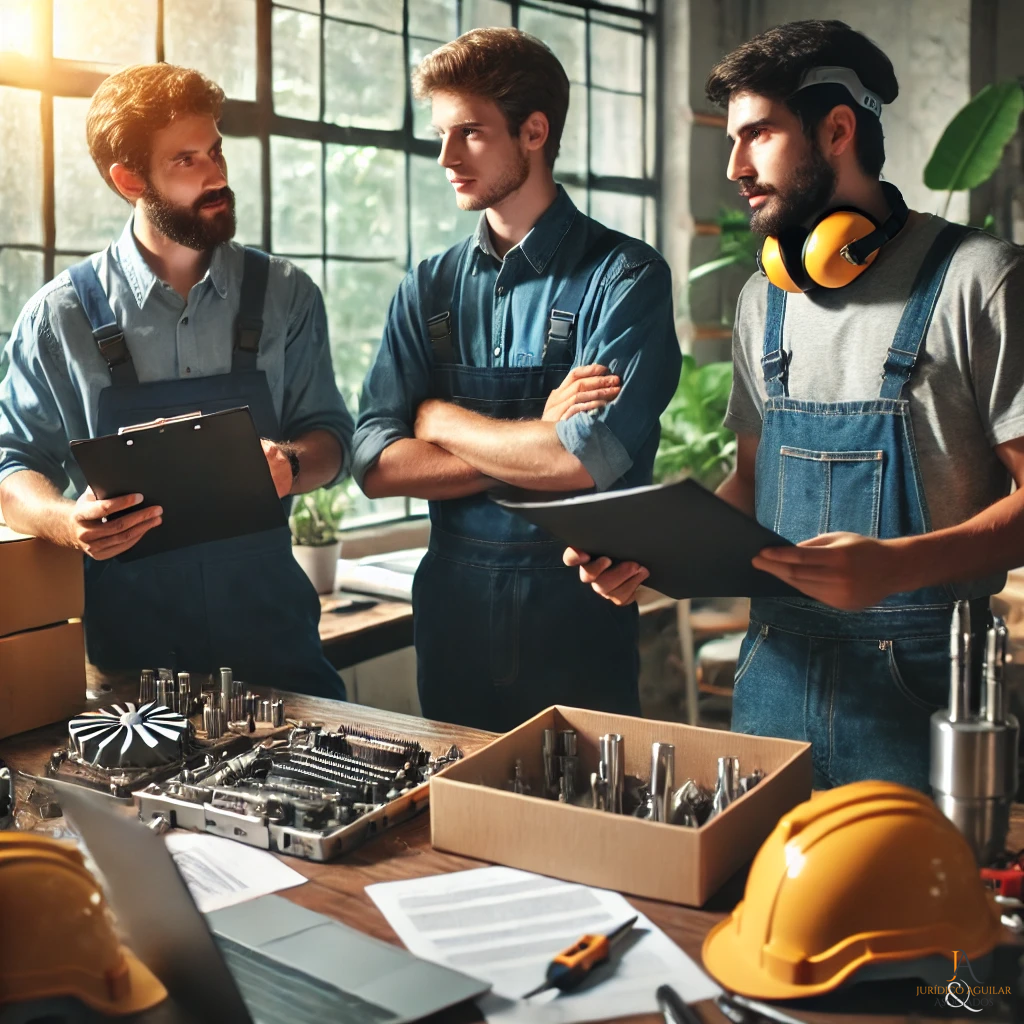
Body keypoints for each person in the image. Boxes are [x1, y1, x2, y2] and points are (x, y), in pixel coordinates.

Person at [569, 20, 1024, 790]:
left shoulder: (981, 280)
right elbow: (749, 486)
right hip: (773, 679)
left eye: (759, 135)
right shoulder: (763, 301)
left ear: (838, 128)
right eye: (731, 139)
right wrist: (650, 557)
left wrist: (897, 566)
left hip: (932, 695)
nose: (736, 165)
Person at [352, 28, 681, 732]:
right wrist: (535, 440)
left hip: (577, 613)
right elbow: (376, 465)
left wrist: (439, 421)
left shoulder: (626, 279)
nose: (445, 157)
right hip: (452, 619)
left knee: (581, 832)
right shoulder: (427, 287)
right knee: (452, 839)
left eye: (468, 132)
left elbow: (578, 459)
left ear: (534, 131)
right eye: (441, 134)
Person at [0, 64, 353, 698]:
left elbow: (330, 436)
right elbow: (9, 466)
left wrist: (292, 465)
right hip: (132, 681)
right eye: (187, 160)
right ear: (130, 179)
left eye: (215, 150)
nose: (217, 175)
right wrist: (65, 521)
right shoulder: (59, 318)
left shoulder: (286, 296)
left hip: (281, 657)